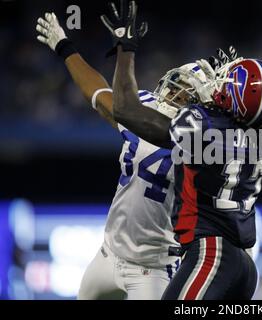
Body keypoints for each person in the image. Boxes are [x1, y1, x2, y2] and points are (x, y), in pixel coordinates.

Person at [100, 0, 262, 300]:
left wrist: (126, 49)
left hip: (211, 255)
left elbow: (125, 109)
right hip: (243, 265)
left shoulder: (202, 127)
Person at [35, 11, 209, 300]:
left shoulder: (199, 141)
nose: (173, 94)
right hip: (108, 253)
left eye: (185, 93)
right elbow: (98, 94)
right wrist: (65, 46)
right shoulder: (142, 107)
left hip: (154, 269)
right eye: (177, 85)